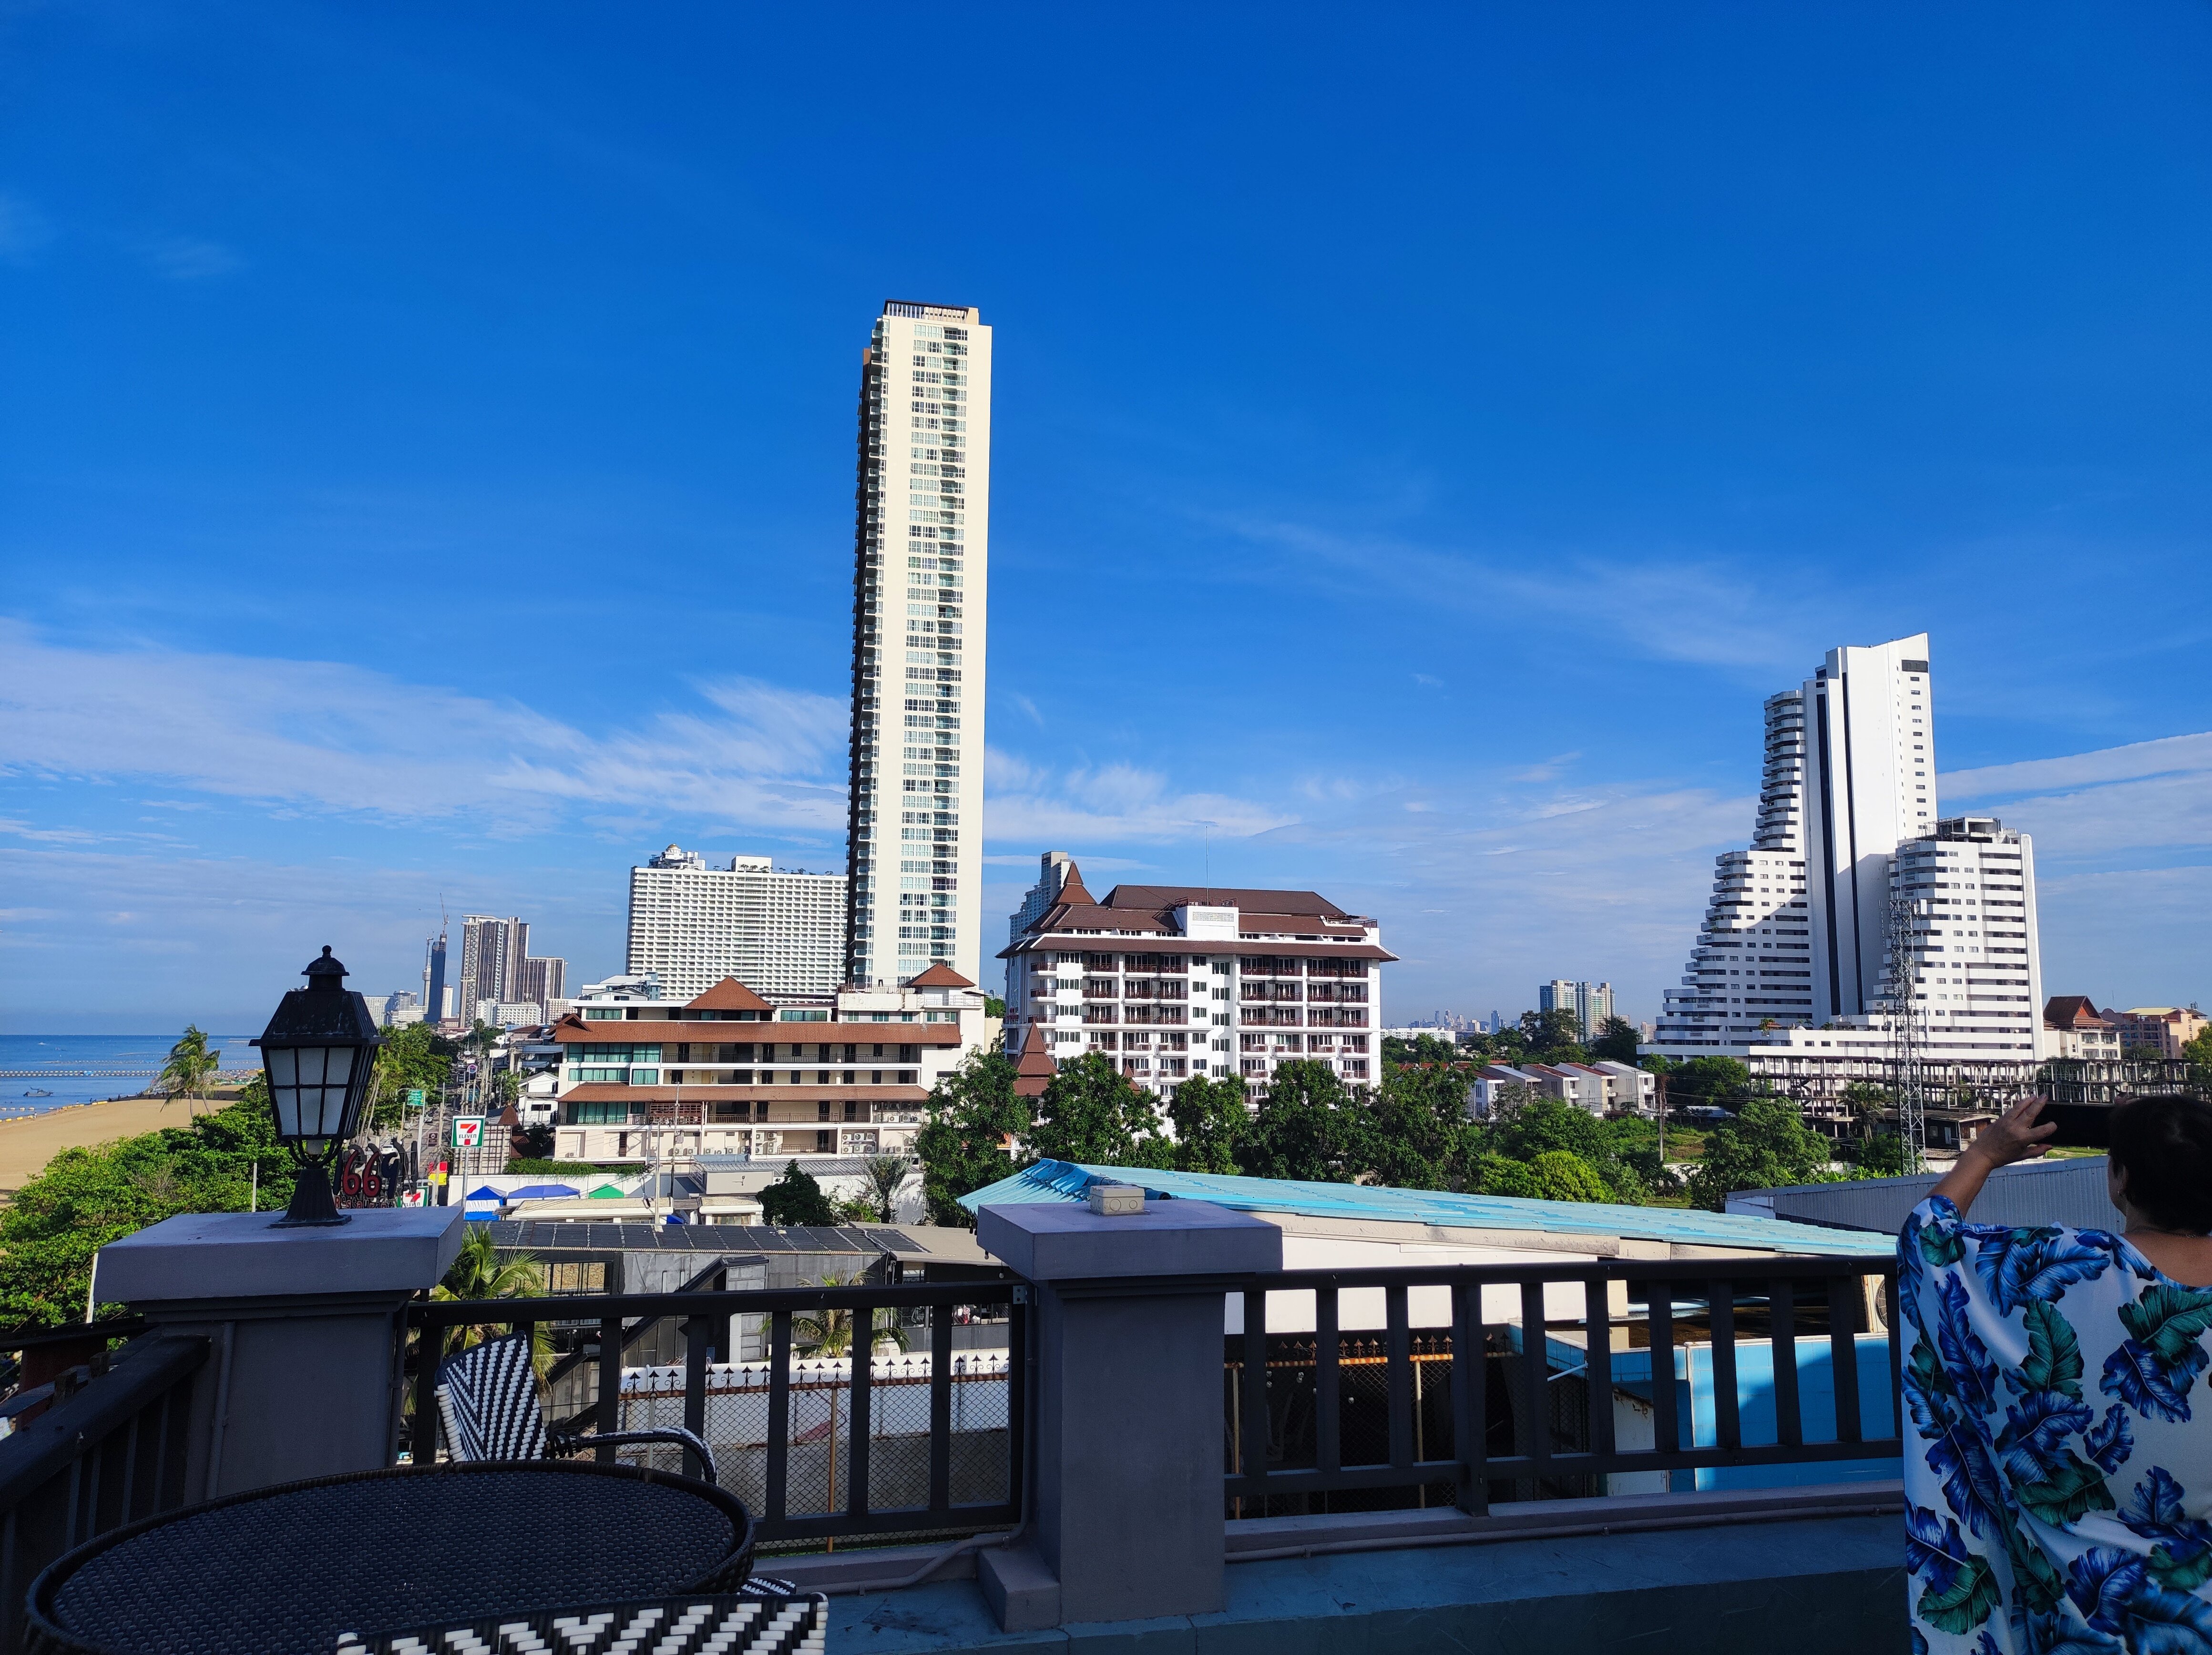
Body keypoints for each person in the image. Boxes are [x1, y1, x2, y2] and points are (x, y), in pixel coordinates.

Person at [1900, 1093, 2212, 1653]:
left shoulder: (2056, 1270)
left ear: (2117, 1177)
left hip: (2089, 1618)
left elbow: (1927, 1241)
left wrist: (1984, 1155)